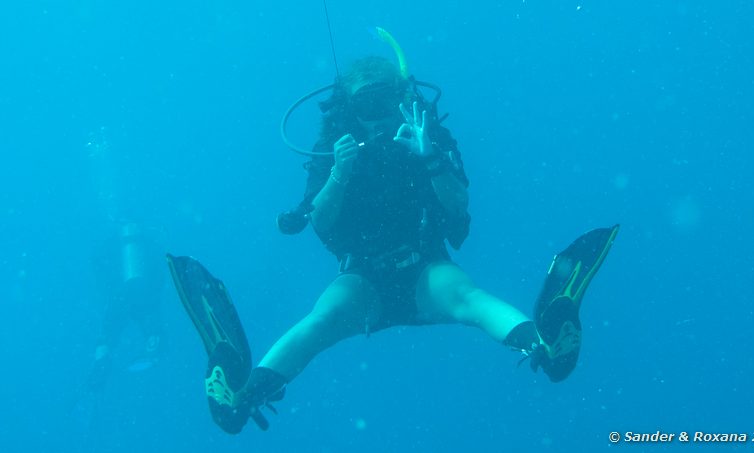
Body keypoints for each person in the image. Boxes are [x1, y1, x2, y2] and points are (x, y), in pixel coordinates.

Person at [170, 54, 618, 434]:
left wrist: (429, 156)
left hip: (426, 265)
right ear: (349, 106)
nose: (378, 110)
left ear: (401, 96)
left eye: (385, 97)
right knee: (323, 319)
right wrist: (340, 171)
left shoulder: (429, 135)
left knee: (467, 298)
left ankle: (543, 342)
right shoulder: (331, 148)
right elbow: (320, 222)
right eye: (366, 101)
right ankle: (243, 393)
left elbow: (458, 208)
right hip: (361, 274)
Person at [86, 221, 166, 393]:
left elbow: (97, 266)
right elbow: (161, 272)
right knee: (153, 331)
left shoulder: (110, 242)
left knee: (107, 335)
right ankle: (153, 350)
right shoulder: (148, 241)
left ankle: (101, 362)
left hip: (120, 298)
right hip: (144, 295)